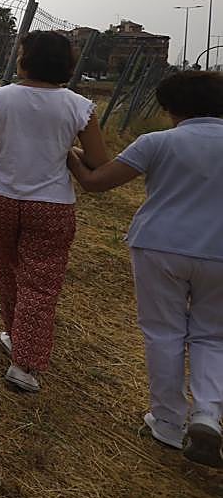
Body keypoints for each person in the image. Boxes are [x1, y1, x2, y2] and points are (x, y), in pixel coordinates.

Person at [68, 71, 223, 467]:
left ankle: (168, 422)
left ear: (169, 107)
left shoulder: (158, 142)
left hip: (159, 245)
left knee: (163, 331)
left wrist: (70, 156)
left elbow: (97, 182)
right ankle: (207, 414)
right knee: (213, 336)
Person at [0, 31, 109, 392]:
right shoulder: (79, 107)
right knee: (40, 282)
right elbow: (99, 161)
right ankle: (25, 364)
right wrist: (69, 153)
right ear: (66, 64)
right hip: (51, 204)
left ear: (25, 59)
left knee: (7, 269)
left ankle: (16, 336)